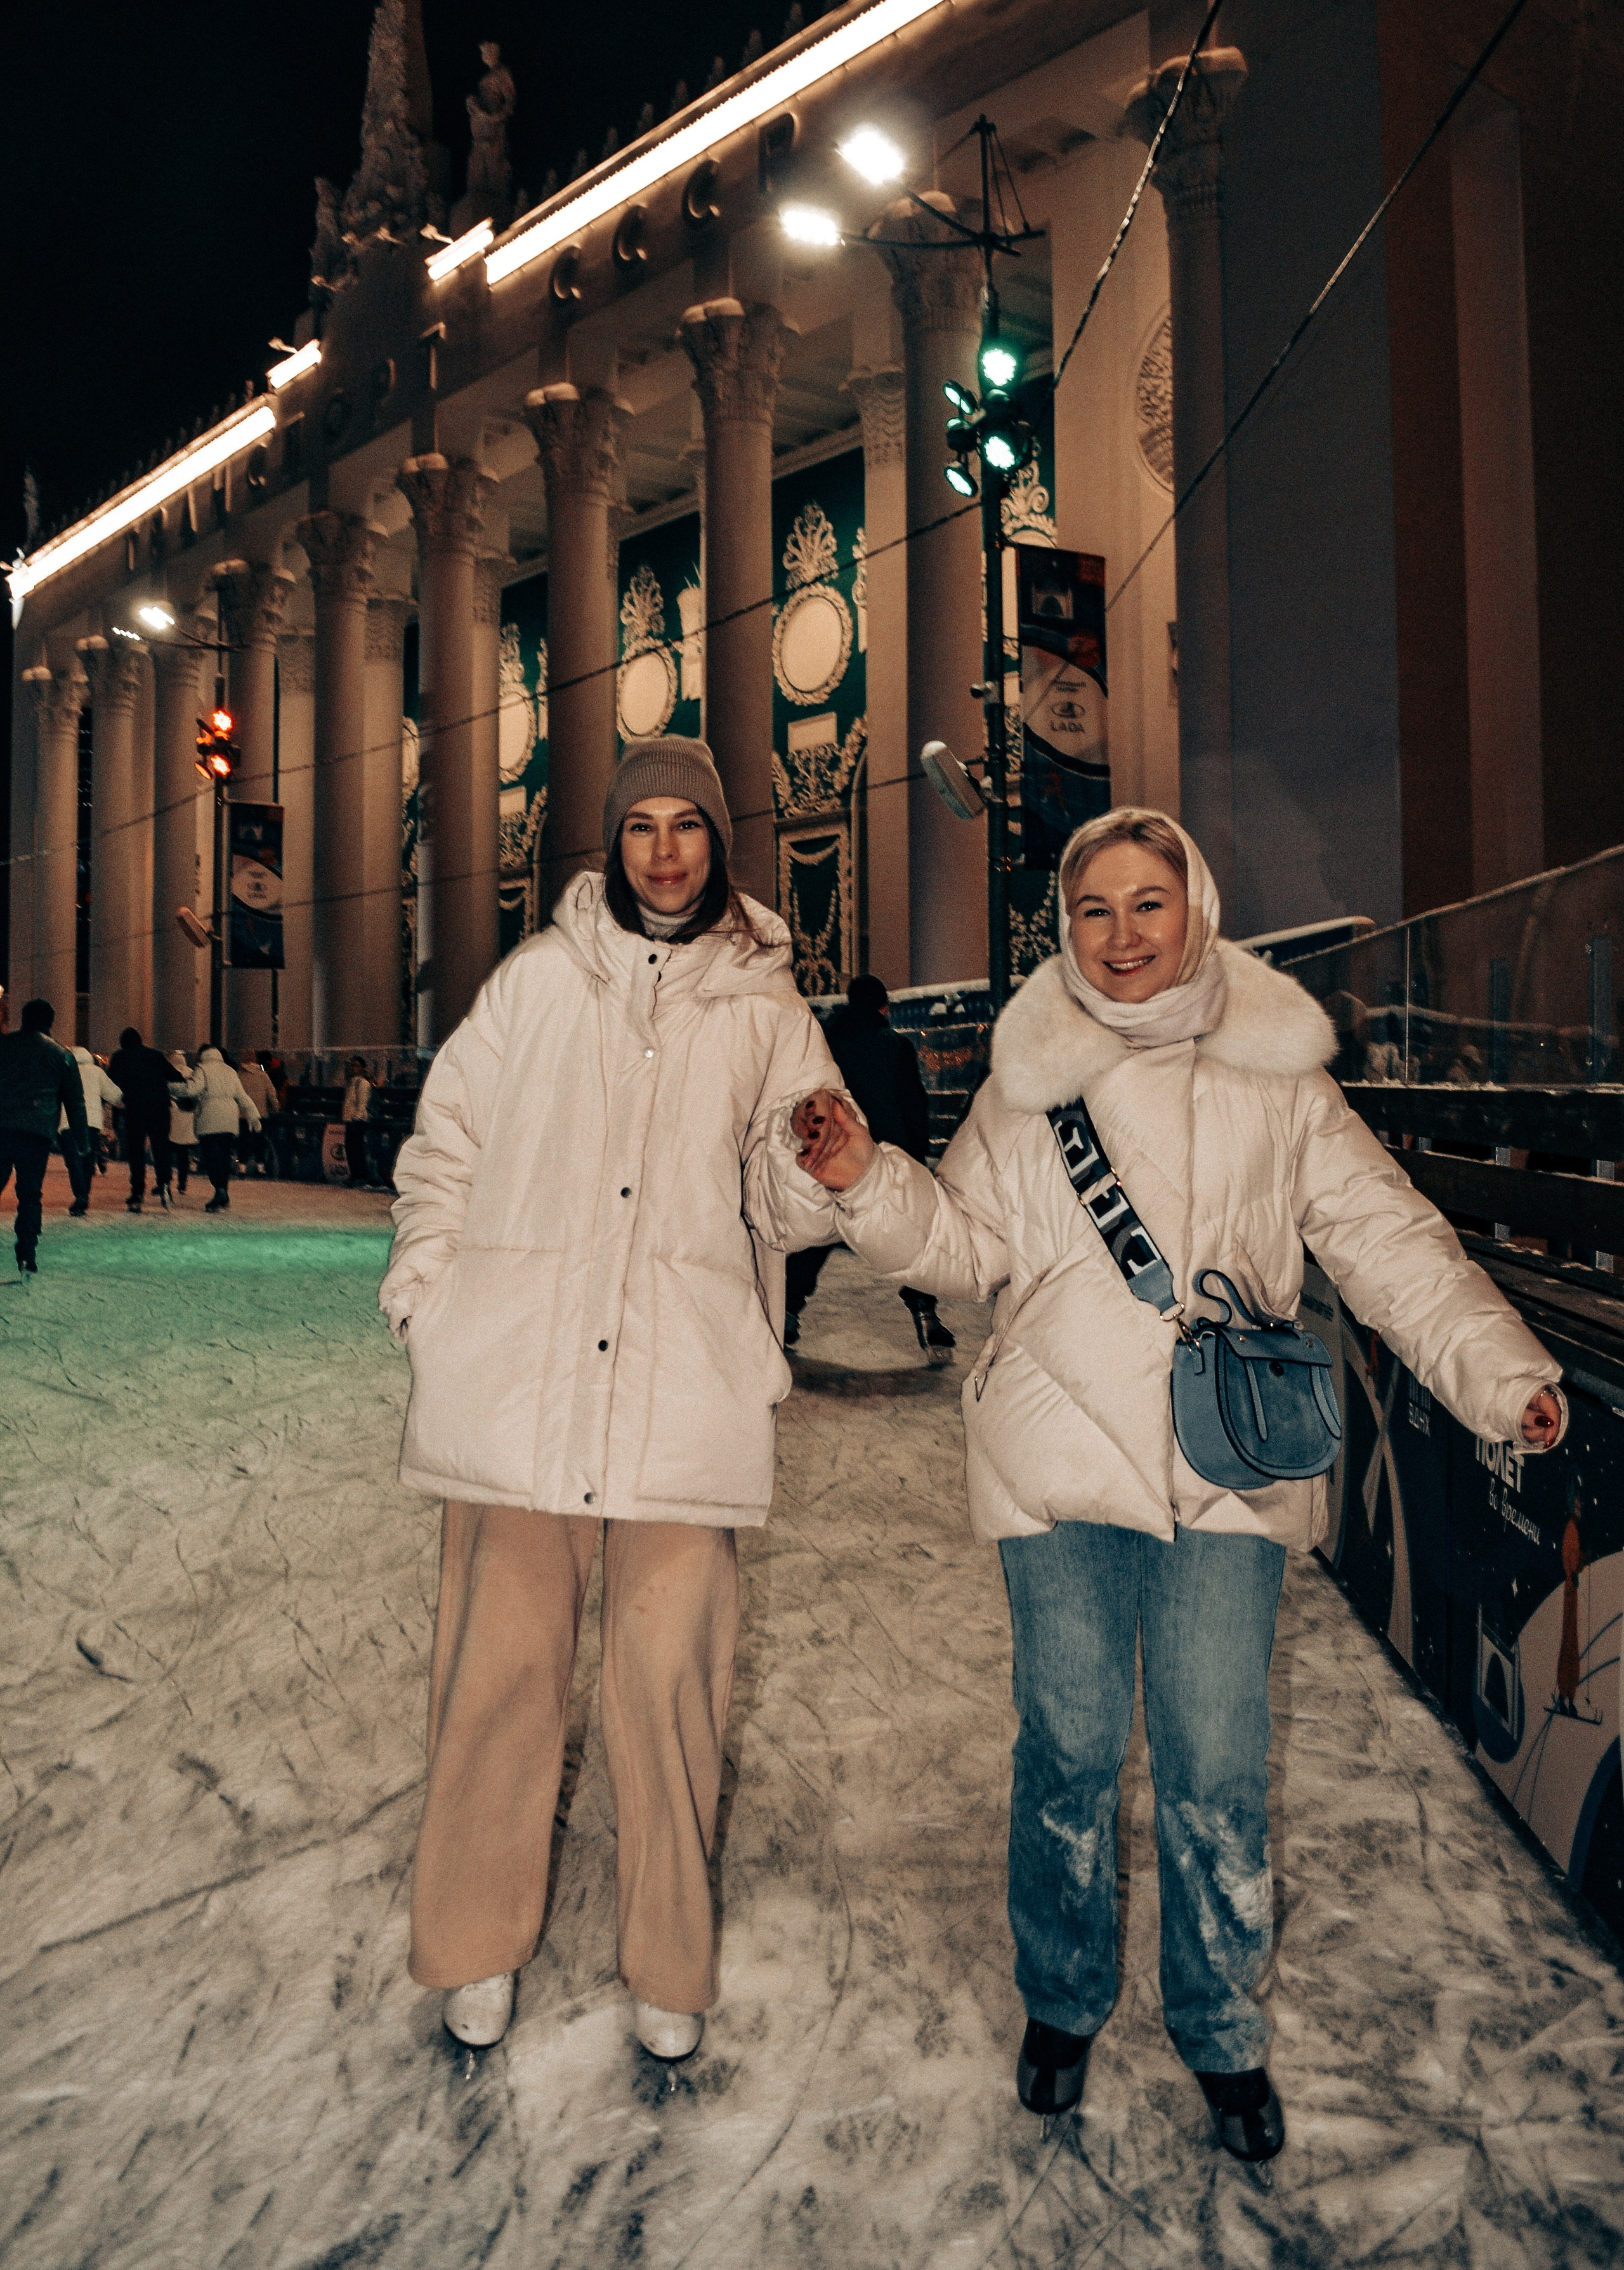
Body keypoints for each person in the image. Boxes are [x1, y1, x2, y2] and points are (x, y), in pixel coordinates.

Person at [789, 808, 1566, 2163]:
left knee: (1212, 1768)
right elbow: (964, 1245)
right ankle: (1062, 1997)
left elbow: (1385, 1237)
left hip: (1226, 1472)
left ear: (1196, 913)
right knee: (1067, 1755)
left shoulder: (1275, 1074)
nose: (1122, 934)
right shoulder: (1027, 1080)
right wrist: (866, 1183)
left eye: (1147, 904)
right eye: (1095, 909)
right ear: (1067, 930)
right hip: (1055, 1475)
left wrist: (1494, 1370)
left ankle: (1216, 2026)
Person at [381, 735, 843, 2064]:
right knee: (496, 1683)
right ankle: (472, 1945)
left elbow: (789, 1198)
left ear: (717, 841)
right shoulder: (532, 985)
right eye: (637, 825)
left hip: (680, 1393)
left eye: (683, 825)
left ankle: (666, 1962)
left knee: (666, 1692)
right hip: (514, 1389)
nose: (661, 850)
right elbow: (444, 1145)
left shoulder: (764, 1010)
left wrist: (814, 1169)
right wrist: (429, 1295)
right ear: (609, 842)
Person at [783, 973, 955, 1359]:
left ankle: (787, 1312)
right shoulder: (895, 1046)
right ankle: (925, 1312)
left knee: (816, 1237)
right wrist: (916, 1158)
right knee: (909, 1239)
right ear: (884, 1008)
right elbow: (913, 1105)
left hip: (831, 1157)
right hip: (882, 1158)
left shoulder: (824, 1045)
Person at [0, 999, 89, 1274]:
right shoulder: (61, 1055)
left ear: (23, 1018)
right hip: (38, 1133)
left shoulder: (3, 1046)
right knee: (30, 1193)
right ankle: (27, 1251)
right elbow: (76, 1102)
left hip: (2, 1127)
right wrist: (83, 1142)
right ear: (50, 1021)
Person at [108, 1027, 180, 1211]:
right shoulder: (155, 1055)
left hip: (135, 1109)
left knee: (136, 1151)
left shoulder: (120, 1057)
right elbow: (175, 1076)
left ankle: (137, 1192)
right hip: (160, 1108)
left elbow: (112, 1083)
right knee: (161, 1147)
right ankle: (164, 1183)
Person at [190, 1047, 263, 1209]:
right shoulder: (230, 1071)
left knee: (212, 1157)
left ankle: (220, 1190)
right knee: (223, 1156)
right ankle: (223, 1191)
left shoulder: (202, 1069)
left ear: (203, 1057)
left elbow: (193, 1090)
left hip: (210, 1119)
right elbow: (243, 1097)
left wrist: (173, 1087)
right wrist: (254, 1117)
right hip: (229, 1120)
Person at [62, 1045, 122, 1214]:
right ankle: (84, 1195)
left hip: (69, 1122)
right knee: (87, 1159)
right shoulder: (97, 1072)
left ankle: (80, 1194)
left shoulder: (65, 1071)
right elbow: (114, 1094)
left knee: (73, 1161)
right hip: (92, 1123)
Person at [237, 1049, 277, 1174]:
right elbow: (271, 1093)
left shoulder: (239, 1075)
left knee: (243, 1140)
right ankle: (261, 1167)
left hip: (243, 1114)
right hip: (260, 1113)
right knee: (259, 1140)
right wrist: (275, 1108)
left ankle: (242, 1167)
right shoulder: (262, 1075)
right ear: (255, 1059)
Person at [167, 1052, 197, 1195]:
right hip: (187, 1116)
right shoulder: (191, 1073)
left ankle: (166, 1180)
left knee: (167, 1150)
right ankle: (182, 1183)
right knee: (183, 1153)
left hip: (171, 1114)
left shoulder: (168, 1073)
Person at [341, 1057, 372, 1188]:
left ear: (362, 1068)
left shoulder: (363, 1084)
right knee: (350, 1148)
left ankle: (361, 1175)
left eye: (356, 1066)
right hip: (350, 1119)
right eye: (352, 1066)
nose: (353, 1068)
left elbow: (362, 1104)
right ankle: (355, 1174)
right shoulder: (351, 1082)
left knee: (357, 1148)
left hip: (358, 1121)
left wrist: (357, 1118)